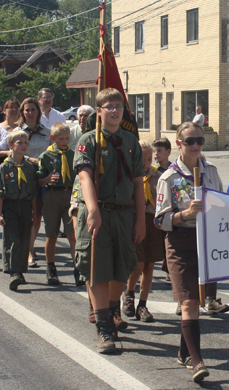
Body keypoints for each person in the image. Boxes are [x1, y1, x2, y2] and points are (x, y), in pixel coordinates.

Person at [73, 88, 145, 354]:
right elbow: (85, 177)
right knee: (97, 269)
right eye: (109, 107)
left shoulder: (131, 142)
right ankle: (104, 328)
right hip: (98, 212)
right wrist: (92, 209)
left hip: (124, 214)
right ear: (99, 112)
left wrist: (140, 220)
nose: (115, 111)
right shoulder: (88, 141)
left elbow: (138, 183)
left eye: (119, 106)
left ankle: (112, 307)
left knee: (122, 267)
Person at [155, 122, 220, 382]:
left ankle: (184, 352)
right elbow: (160, 220)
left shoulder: (211, 172)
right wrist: (186, 214)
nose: (195, 146)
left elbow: (224, 204)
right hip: (180, 241)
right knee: (189, 301)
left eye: (199, 141)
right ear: (179, 144)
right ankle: (197, 361)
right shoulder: (168, 178)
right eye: (189, 141)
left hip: (207, 241)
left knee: (198, 300)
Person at [122, 140, 164, 322]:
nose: (146, 164)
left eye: (149, 159)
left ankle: (143, 304)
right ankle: (129, 293)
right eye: (142, 160)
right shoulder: (129, 176)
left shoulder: (159, 176)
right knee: (137, 263)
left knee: (149, 265)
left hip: (153, 223)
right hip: (135, 221)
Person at [36, 123, 76, 286]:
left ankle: (77, 268)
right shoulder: (46, 156)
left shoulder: (74, 154)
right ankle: (51, 268)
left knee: (72, 235)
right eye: (61, 139)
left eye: (67, 138)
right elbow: (38, 180)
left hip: (70, 195)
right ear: (53, 138)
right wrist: (47, 180)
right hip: (52, 195)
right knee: (51, 235)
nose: (65, 141)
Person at [15, 98, 52, 268]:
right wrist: (29, 159)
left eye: (33, 109)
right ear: (22, 112)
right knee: (27, 216)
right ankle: (28, 252)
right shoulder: (16, 132)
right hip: (23, 179)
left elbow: (53, 151)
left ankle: (30, 246)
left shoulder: (47, 131)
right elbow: (10, 154)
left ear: (38, 112)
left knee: (37, 217)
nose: (30, 113)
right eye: (27, 110)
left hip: (42, 179)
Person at [0, 130, 36, 290]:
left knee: (23, 239)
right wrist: (0, 213)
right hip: (9, 206)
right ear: (10, 145)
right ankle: (13, 272)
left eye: (25, 142)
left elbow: (33, 192)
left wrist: (34, 212)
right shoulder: (4, 167)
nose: (23, 145)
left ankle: (21, 270)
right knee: (12, 240)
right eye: (19, 142)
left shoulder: (29, 167)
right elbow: (0, 192)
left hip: (25, 206)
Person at [152, 137, 172, 283]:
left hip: (169, 211)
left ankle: (170, 270)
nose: (156, 154)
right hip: (154, 211)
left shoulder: (173, 170)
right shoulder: (152, 171)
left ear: (168, 152)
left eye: (159, 150)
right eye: (154, 151)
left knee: (169, 241)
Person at [0, 99, 21, 163]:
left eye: (16, 108)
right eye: (11, 107)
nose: (14, 110)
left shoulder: (22, 128)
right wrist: (6, 153)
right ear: (4, 110)